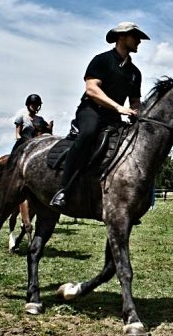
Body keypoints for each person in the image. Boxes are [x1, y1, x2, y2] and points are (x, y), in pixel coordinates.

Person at [50, 22, 150, 210]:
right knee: (88, 134)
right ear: (121, 36)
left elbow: (135, 102)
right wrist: (118, 107)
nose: (139, 41)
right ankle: (63, 190)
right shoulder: (102, 60)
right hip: (91, 110)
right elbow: (92, 89)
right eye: (135, 36)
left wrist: (138, 114)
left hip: (114, 117)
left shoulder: (135, 73)